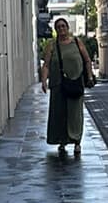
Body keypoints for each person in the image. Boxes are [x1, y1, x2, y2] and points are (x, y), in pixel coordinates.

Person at [40, 17, 96, 157]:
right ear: (56, 30)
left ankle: (77, 141)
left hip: (76, 83)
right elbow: (46, 64)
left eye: (63, 26)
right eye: (58, 27)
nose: (61, 29)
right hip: (58, 85)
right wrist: (44, 81)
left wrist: (89, 77)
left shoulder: (77, 42)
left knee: (75, 113)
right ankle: (62, 141)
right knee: (59, 113)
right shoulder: (52, 45)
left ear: (67, 28)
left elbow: (87, 60)